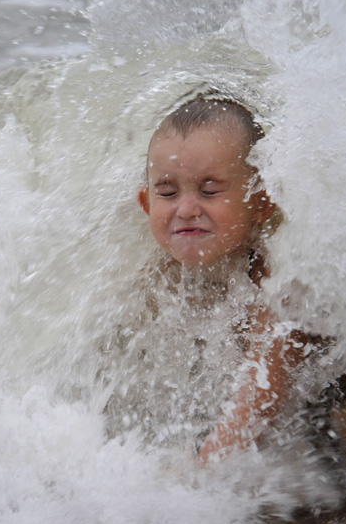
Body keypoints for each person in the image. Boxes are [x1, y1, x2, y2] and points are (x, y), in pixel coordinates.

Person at [127, 96, 320, 466]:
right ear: (146, 203)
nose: (185, 209)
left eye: (210, 190)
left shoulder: (275, 280)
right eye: (167, 193)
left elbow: (259, 398)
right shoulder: (155, 275)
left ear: (262, 203)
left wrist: (202, 479)